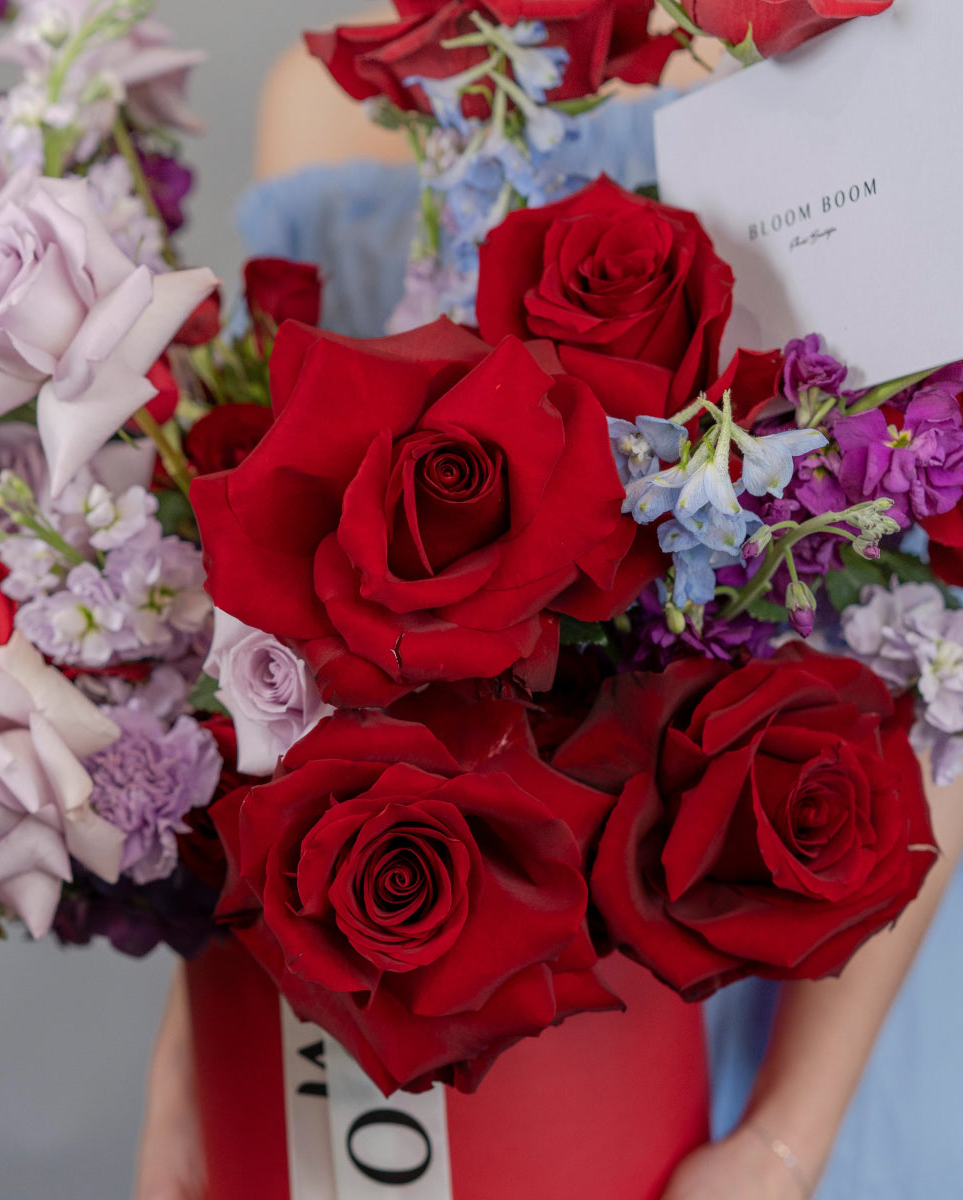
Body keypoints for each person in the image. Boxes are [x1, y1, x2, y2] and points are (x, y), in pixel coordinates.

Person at [132, 10, 963, 1198]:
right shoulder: (335, 90)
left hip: (822, 974)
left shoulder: (864, 50)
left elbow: (942, 660)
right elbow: (283, 682)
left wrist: (783, 1147)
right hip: (467, 980)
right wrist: (188, 1100)